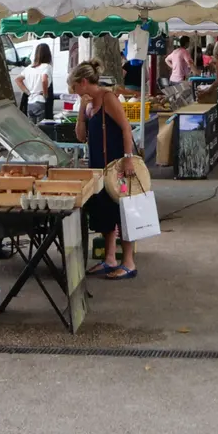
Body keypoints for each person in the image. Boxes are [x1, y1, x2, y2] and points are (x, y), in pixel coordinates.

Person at [72, 61, 140, 279]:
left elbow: (125, 127)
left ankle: (128, 261)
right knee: (104, 210)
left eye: (74, 86)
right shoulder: (89, 104)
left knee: (123, 209)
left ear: (83, 82)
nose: (73, 91)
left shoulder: (108, 97)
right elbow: (81, 136)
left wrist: (128, 158)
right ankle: (110, 257)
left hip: (116, 163)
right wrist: (82, 107)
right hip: (98, 166)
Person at [21, 42, 53, 121]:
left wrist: (28, 92)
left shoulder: (29, 68)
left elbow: (18, 80)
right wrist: (45, 94)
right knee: (41, 129)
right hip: (40, 101)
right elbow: (44, 79)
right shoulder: (47, 66)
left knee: (32, 129)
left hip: (30, 102)